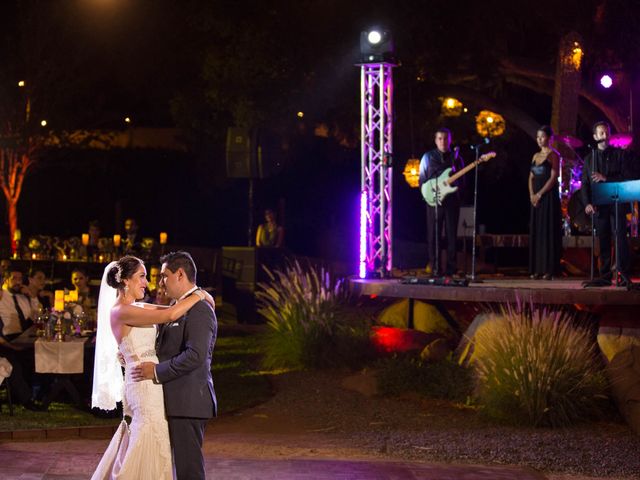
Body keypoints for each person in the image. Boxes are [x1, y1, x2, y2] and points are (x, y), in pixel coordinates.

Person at [91, 255, 214, 480]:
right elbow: (170, 314)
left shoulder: (137, 307)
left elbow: (170, 312)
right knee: (149, 435)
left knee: (157, 440)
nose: (147, 283)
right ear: (125, 281)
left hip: (153, 382)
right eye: (142, 276)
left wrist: (200, 297)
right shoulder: (121, 311)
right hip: (144, 384)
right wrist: (200, 294)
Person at [131, 251, 217, 480]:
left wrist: (156, 371)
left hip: (188, 401)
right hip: (173, 401)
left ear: (180, 274)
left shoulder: (200, 310)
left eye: (164, 276)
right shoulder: (178, 306)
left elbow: (195, 355)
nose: (160, 282)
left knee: (189, 470)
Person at [580, 121, 635, 285]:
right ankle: (604, 275)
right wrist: (586, 203)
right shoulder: (590, 159)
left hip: (616, 203)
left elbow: (627, 178)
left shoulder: (619, 155)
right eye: (601, 134)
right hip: (599, 205)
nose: (605, 136)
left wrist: (606, 178)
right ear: (595, 137)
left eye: (607, 133)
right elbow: (585, 184)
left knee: (620, 238)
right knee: (603, 239)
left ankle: (623, 273)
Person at [419, 127, 465, 276]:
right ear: (435, 140)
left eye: (446, 138)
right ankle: (435, 268)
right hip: (433, 201)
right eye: (440, 138)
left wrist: (454, 186)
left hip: (451, 201)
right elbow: (422, 179)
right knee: (433, 235)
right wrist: (429, 194)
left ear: (450, 140)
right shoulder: (427, 157)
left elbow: (463, 181)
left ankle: (452, 268)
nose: (443, 141)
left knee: (452, 235)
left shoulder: (456, 158)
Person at [528, 125, 562, 280]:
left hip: (548, 197)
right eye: (537, 137)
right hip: (536, 198)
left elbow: (553, 178)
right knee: (537, 231)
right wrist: (532, 195)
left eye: (542, 136)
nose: (539, 139)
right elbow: (531, 177)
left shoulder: (554, 155)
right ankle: (536, 269)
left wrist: (540, 194)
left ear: (549, 138)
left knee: (548, 231)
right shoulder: (535, 155)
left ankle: (549, 269)